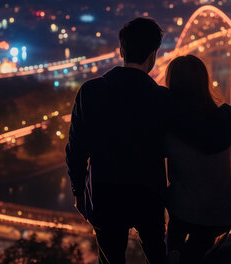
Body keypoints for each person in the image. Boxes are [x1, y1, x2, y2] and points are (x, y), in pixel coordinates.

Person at [65, 17, 169, 264]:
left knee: (111, 260)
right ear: (154, 54)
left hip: (105, 195)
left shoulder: (90, 92)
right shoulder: (161, 97)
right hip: (149, 195)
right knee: (158, 256)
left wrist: (78, 190)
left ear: (122, 50)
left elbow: (76, 148)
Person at [164, 55, 231, 264]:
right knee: (196, 249)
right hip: (226, 210)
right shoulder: (228, 122)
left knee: (175, 238)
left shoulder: (169, 128)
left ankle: (175, 254)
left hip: (186, 213)